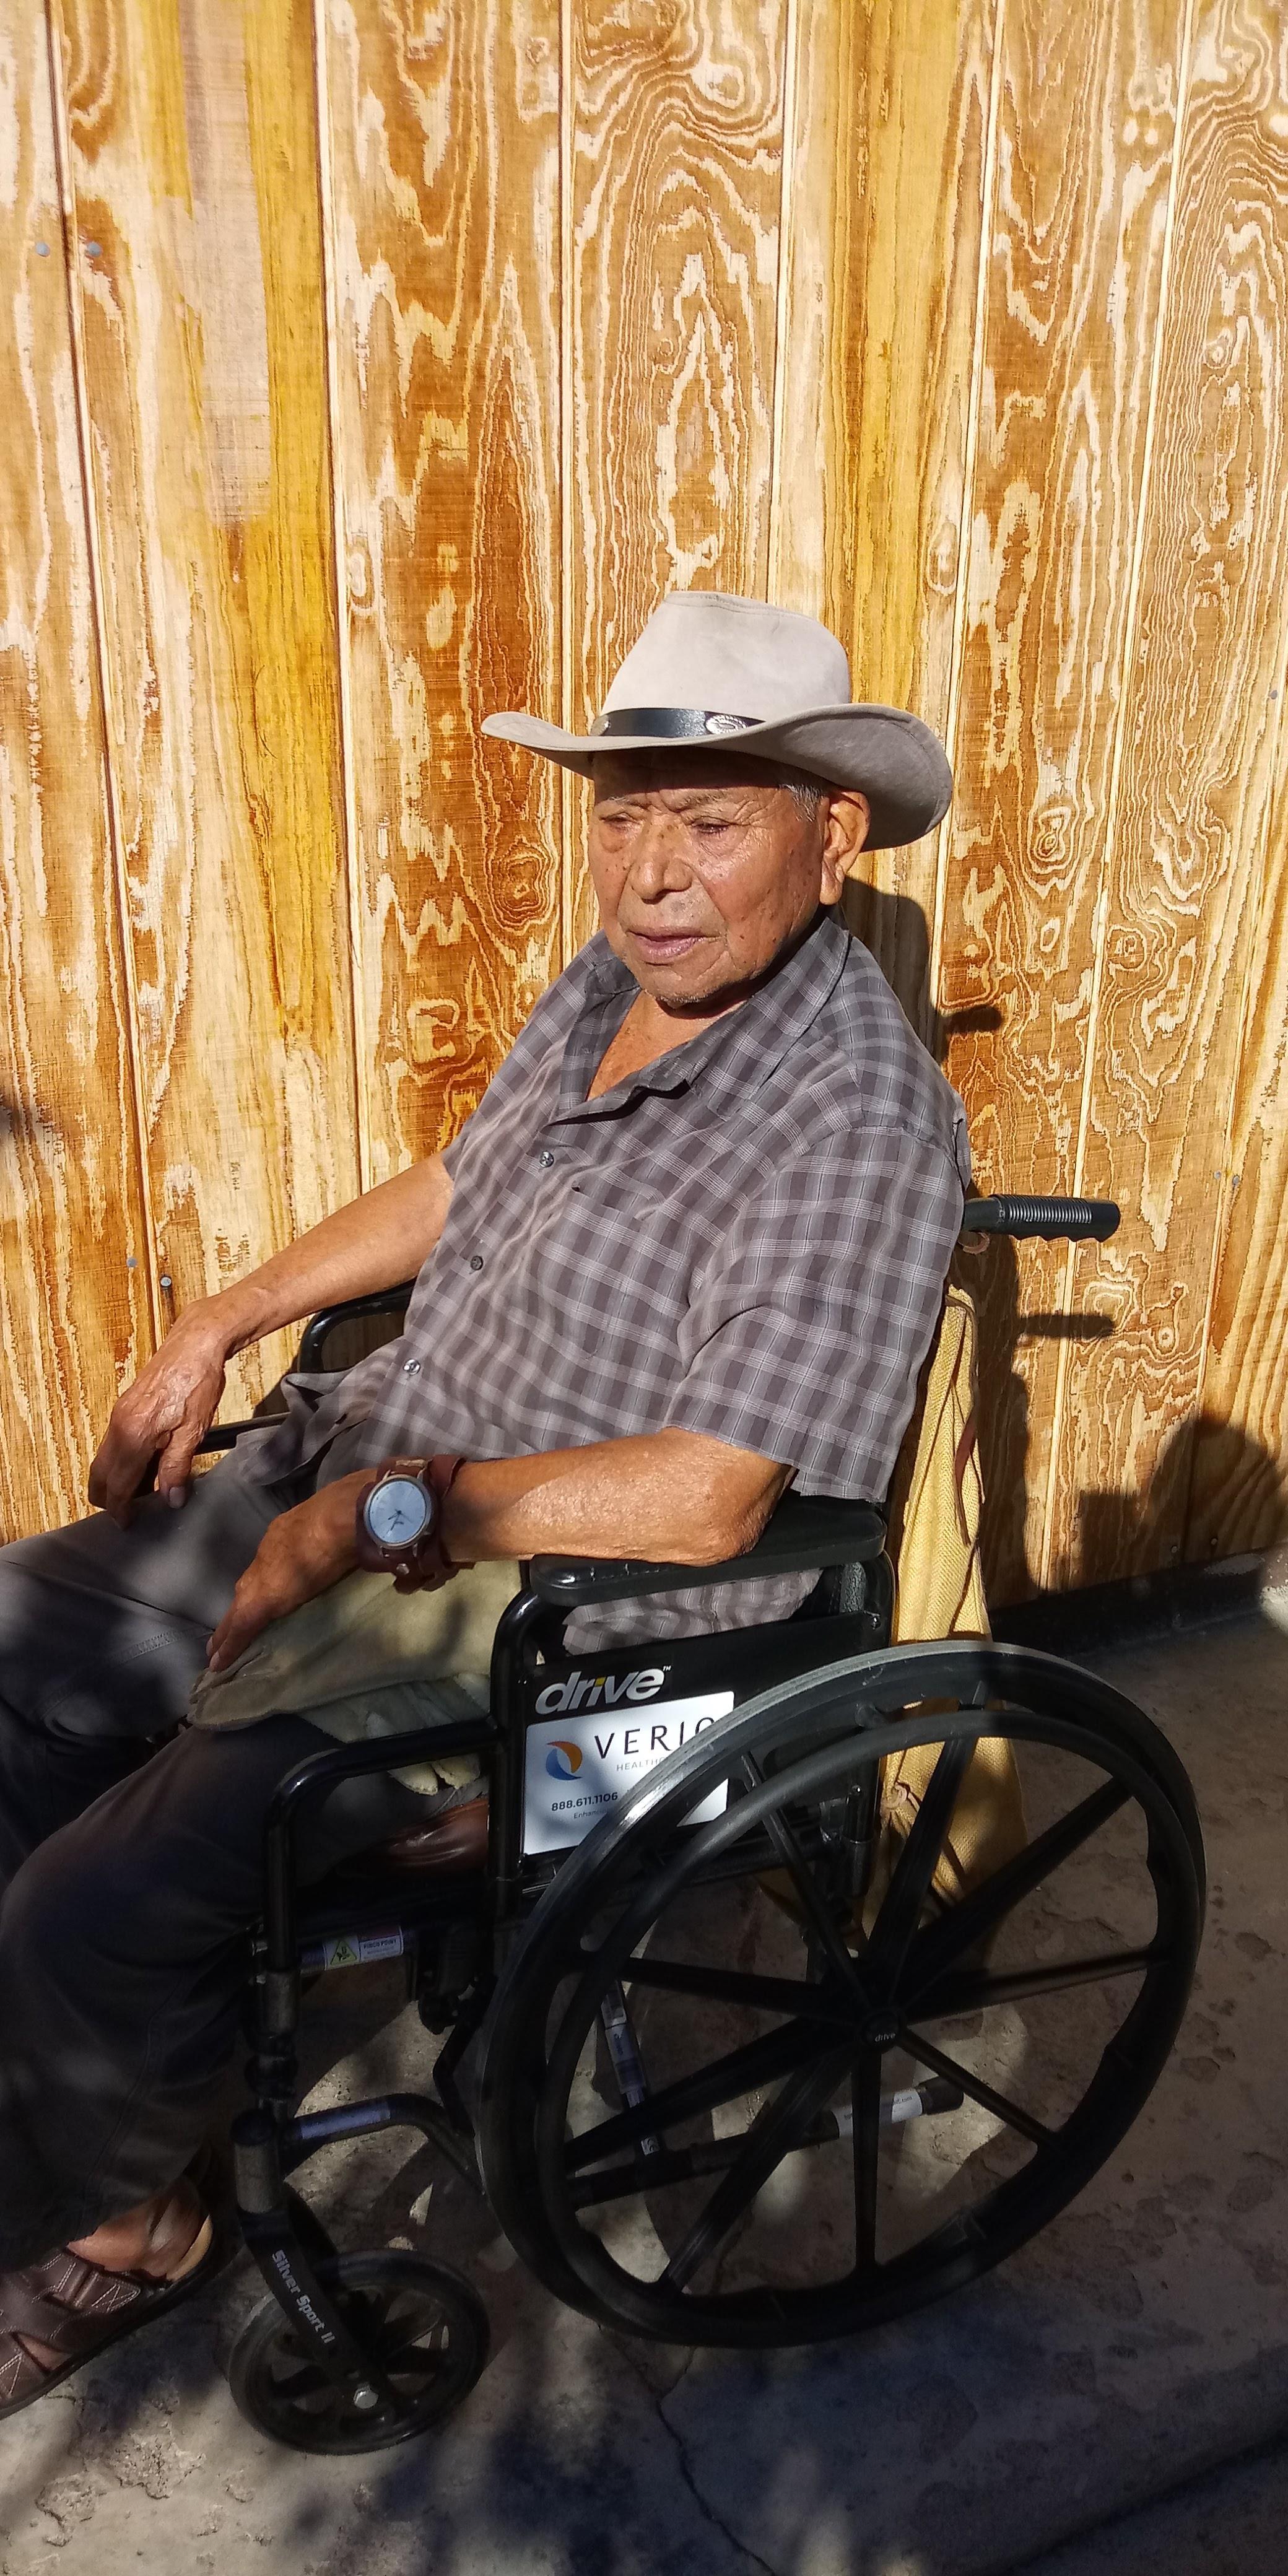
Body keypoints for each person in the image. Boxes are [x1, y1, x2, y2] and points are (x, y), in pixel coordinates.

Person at [0, 588, 968, 2413]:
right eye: (622, 814)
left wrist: (380, 1523)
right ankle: (91, 2100)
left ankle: (132, 2229)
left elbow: (700, 1504)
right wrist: (220, 1321)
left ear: (830, 840)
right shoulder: (614, 988)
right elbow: (458, 1181)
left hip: (569, 1629)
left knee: (101, 1898)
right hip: (361, 1482)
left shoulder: (852, 1118)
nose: (650, 874)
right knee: (12, 1651)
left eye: (710, 816)